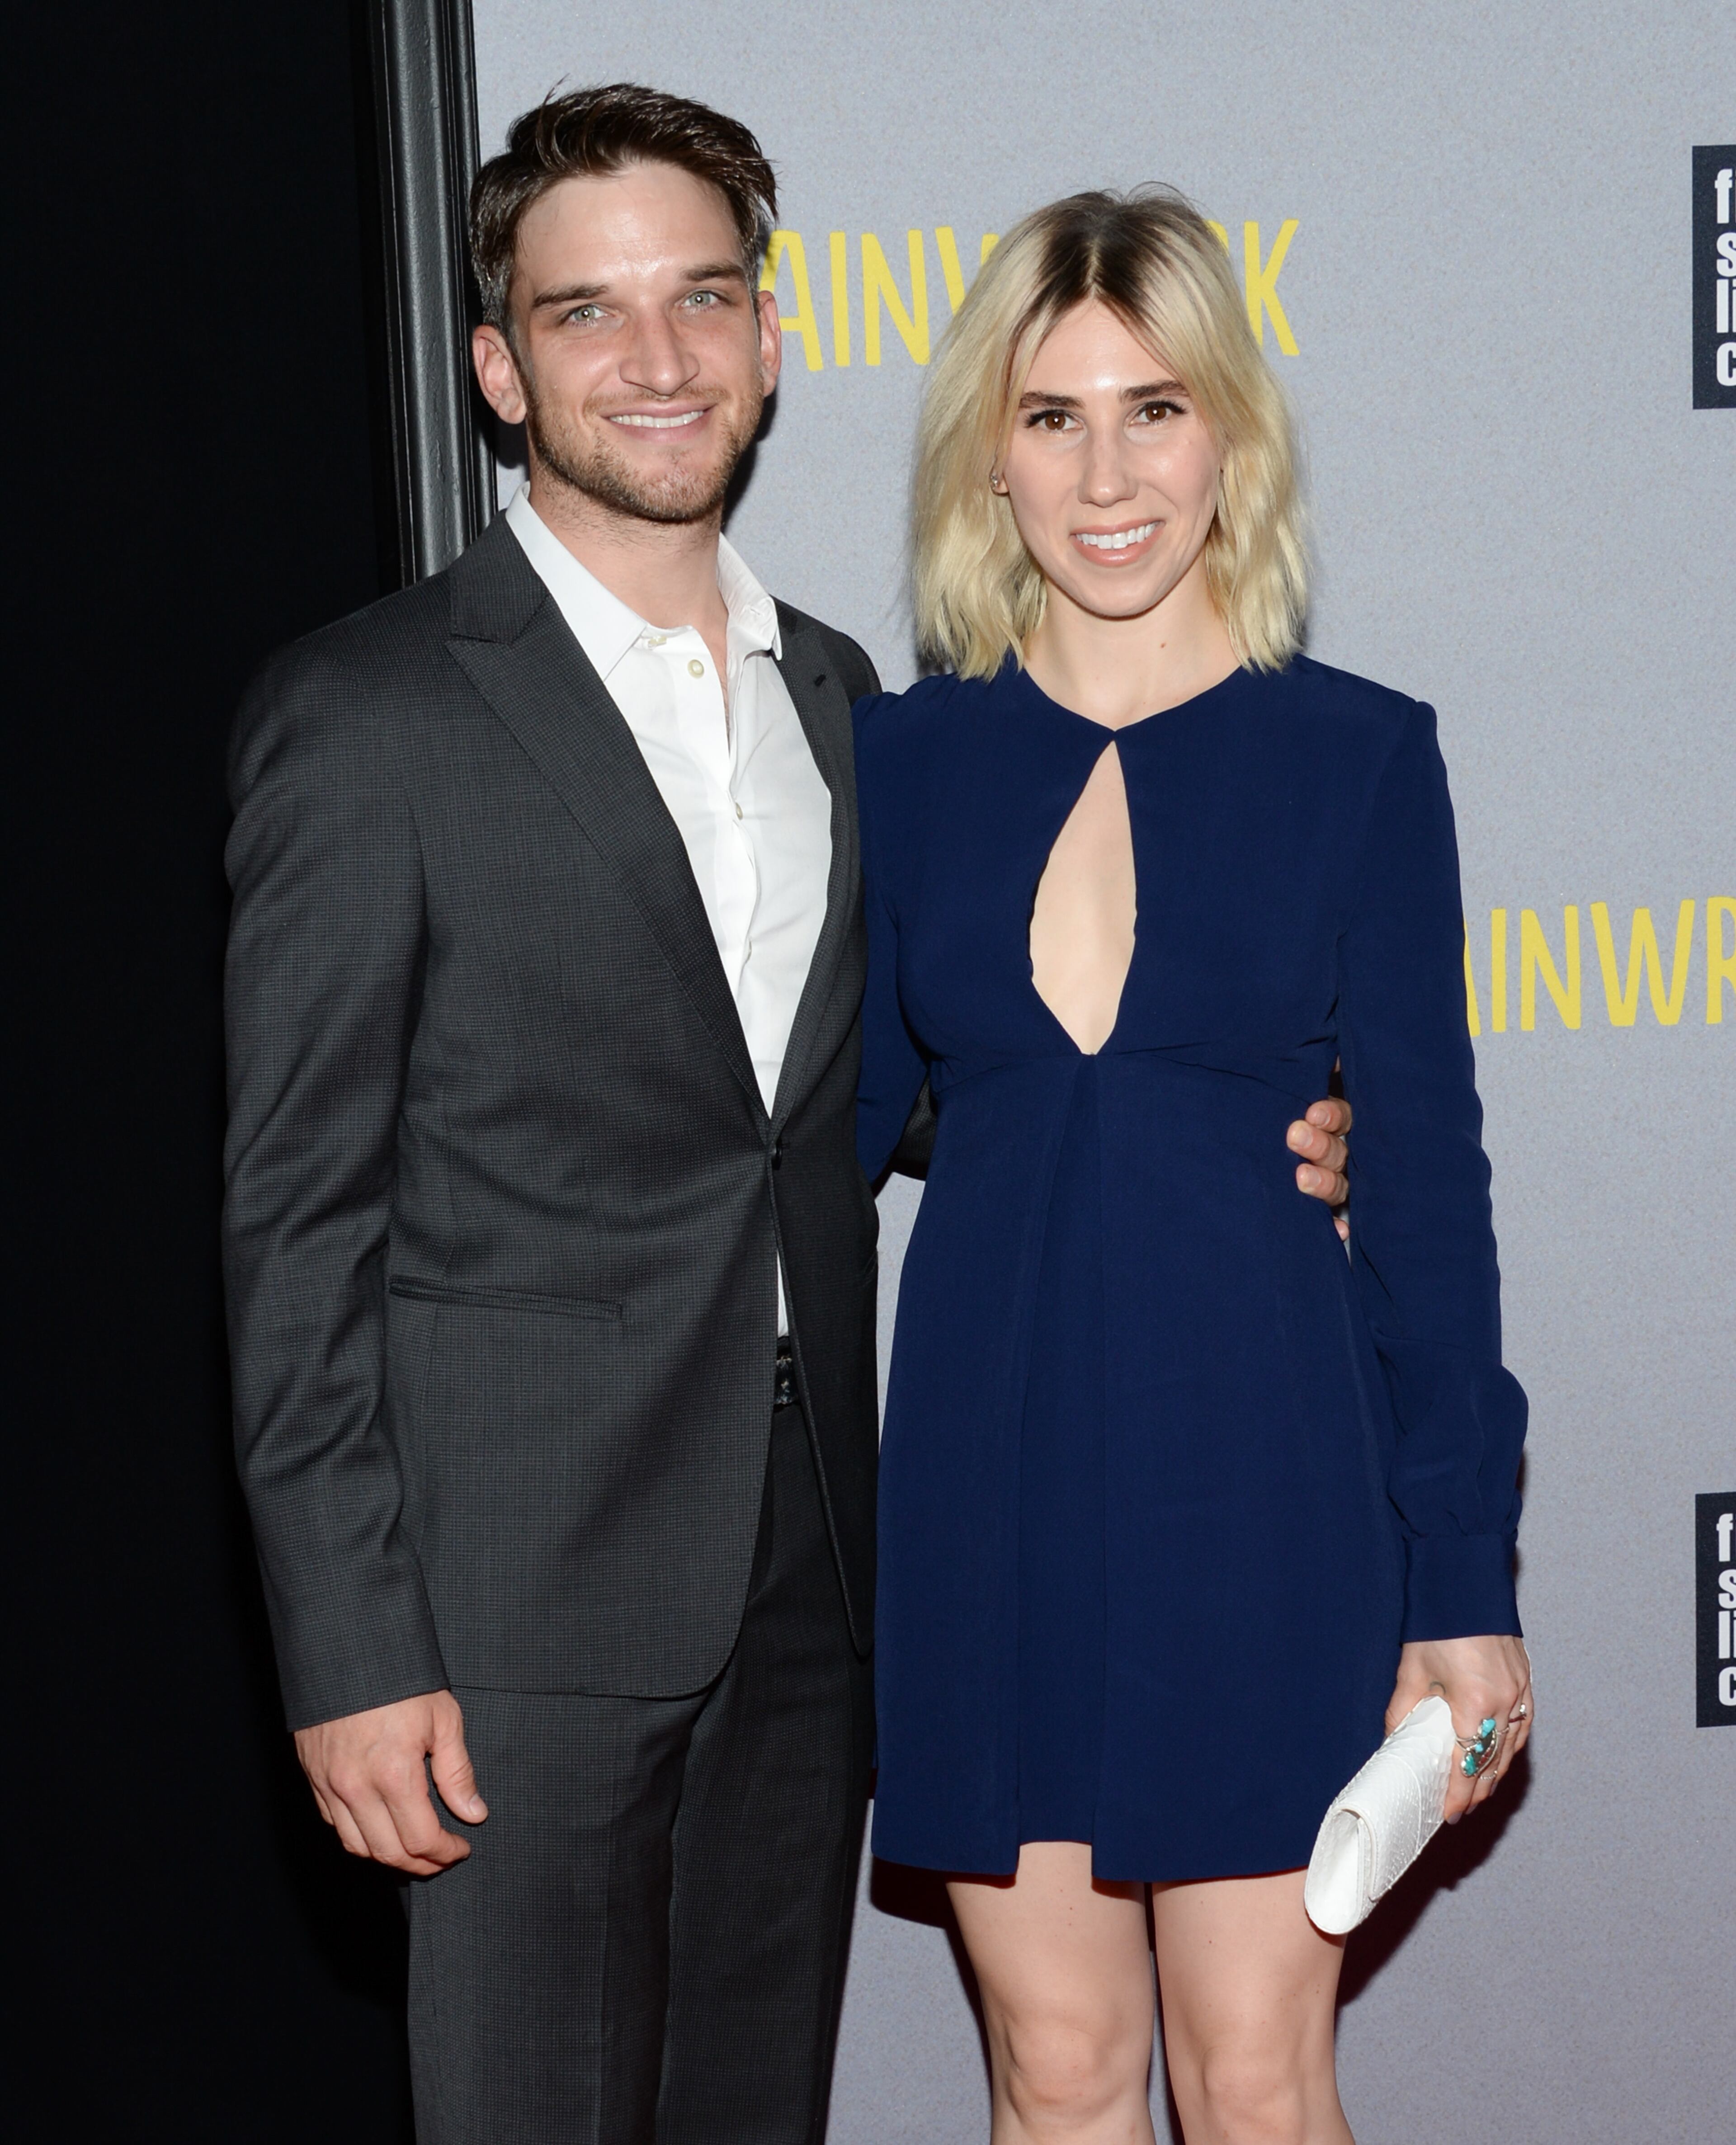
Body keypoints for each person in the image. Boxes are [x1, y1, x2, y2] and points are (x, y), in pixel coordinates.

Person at [223, 85, 1353, 2143]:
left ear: (768, 335)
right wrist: (350, 1642)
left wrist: (1252, 1120)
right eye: (585, 315)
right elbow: (293, 1221)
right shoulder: (368, 712)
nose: (654, 359)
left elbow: (918, 1081)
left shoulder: (852, 703)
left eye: (701, 299)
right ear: (498, 367)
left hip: (822, 1573)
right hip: (512, 1616)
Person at [853, 188, 1533, 2145]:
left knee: (1253, 2086)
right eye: (1051, 414)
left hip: (1266, 1486)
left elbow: (1432, 1202)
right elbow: (828, 1118)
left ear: (1229, 428)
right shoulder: (905, 765)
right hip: (987, 1489)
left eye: (1154, 406)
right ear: (990, 449)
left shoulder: (1360, 761)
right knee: (1057, 2079)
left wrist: (1461, 1564)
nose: (1107, 469)